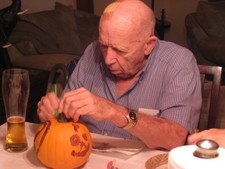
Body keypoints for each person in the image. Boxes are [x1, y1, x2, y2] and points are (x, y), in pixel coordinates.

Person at [37, 0, 201, 150]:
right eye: (103, 46)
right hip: (86, 156)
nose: (108, 59)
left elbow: (175, 139)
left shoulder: (179, 63)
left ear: (148, 45)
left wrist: (113, 112)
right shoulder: (91, 52)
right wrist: (54, 113)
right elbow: (65, 117)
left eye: (120, 50)